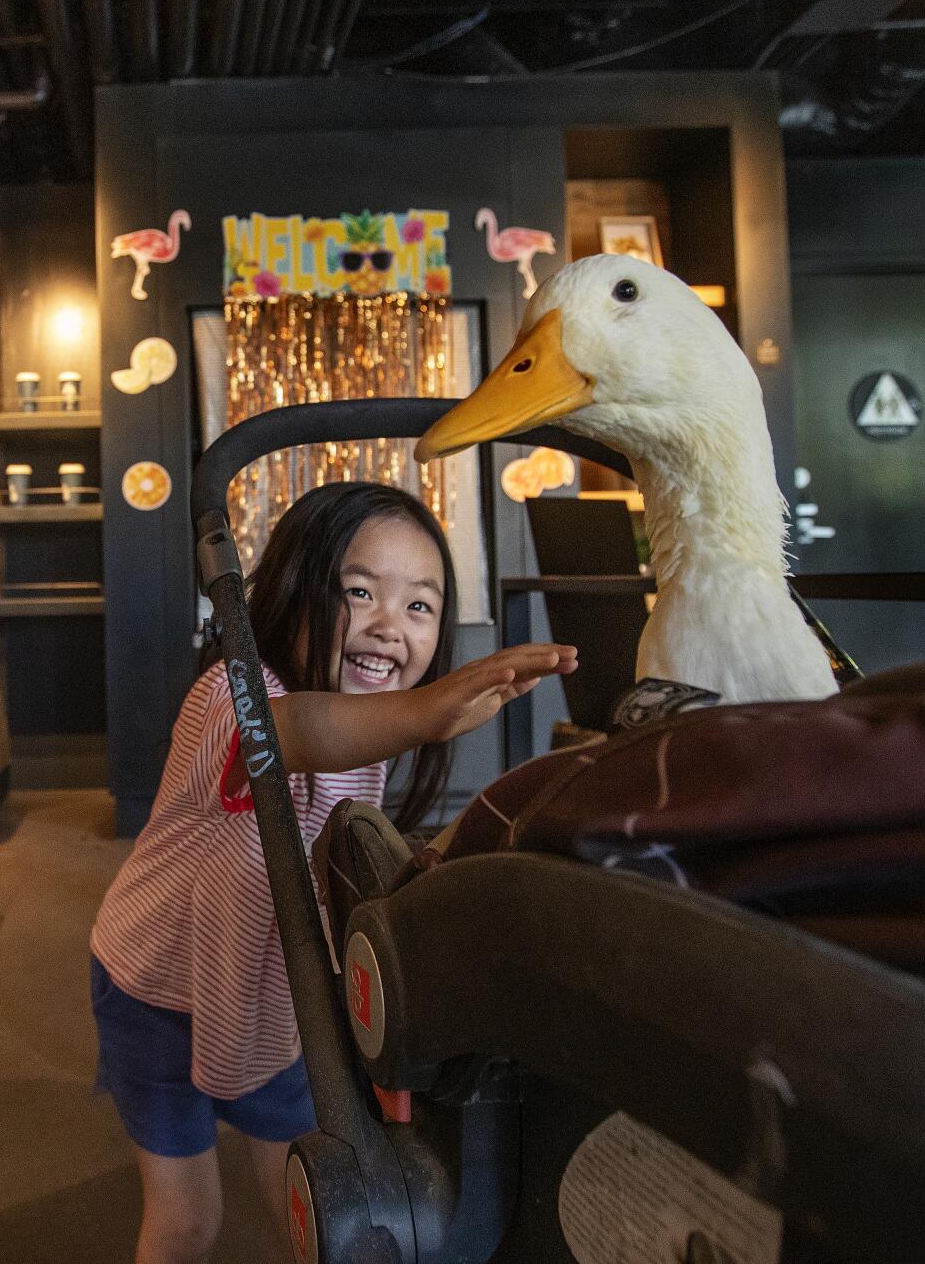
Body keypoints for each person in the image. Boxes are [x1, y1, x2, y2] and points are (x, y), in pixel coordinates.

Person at [88, 483, 578, 1263]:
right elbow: (289, 732)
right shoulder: (233, 695)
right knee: (185, 1222)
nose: (391, 625)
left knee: (318, 1200)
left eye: (421, 606)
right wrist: (428, 709)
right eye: (360, 591)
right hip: (156, 986)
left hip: (267, 990)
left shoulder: (366, 733)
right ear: (293, 589)